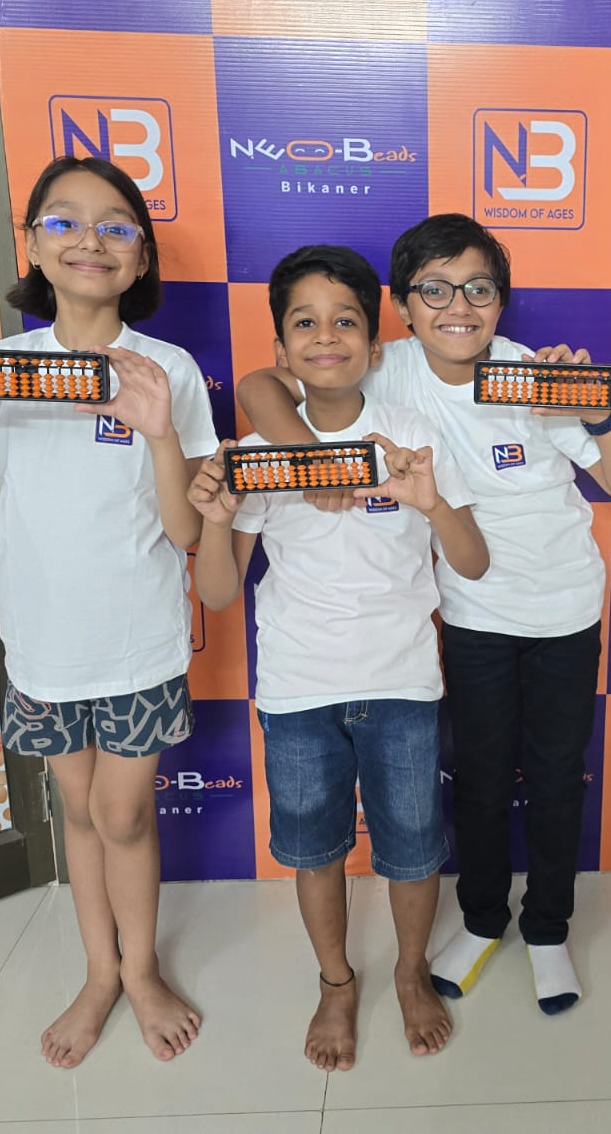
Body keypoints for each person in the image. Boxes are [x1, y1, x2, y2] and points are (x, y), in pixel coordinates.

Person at [237, 215, 611, 1016]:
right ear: (401, 305)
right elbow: (262, 383)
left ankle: (550, 930)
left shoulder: (533, 374)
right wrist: (307, 462)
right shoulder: (383, 368)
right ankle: (484, 921)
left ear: (500, 302)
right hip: (469, 608)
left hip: (565, 604)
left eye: (478, 289)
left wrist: (597, 408)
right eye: (434, 289)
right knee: (481, 779)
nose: (456, 306)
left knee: (560, 777)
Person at [0, 156, 216, 1067]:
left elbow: (186, 528)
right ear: (32, 245)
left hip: (140, 644)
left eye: (116, 226)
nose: (90, 240)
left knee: (123, 815)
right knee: (78, 813)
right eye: (65, 222)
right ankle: (100, 973)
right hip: (41, 647)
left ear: (141, 258)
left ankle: (143, 968)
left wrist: (157, 431)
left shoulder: (168, 371)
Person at [187, 244, 488, 1071]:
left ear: (375, 343)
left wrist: (431, 504)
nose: (327, 337)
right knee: (316, 851)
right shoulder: (257, 449)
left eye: (346, 320)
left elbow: (471, 561)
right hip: (297, 691)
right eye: (306, 324)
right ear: (281, 351)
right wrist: (216, 519)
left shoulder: (411, 436)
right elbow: (218, 594)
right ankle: (334, 980)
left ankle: (409, 972)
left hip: (401, 683)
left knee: (414, 850)